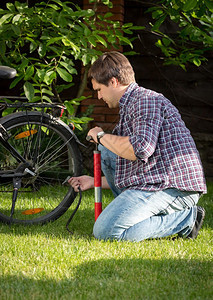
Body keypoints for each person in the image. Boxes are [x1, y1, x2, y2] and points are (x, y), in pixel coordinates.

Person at [68, 51, 207, 242]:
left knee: (105, 231)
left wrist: (100, 136)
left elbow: (140, 149)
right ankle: (141, 216)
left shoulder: (146, 101)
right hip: (153, 181)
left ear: (114, 82)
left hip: (175, 189)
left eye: (99, 89)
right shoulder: (131, 105)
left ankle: (186, 219)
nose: (99, 97)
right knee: (108, 148)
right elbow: (133, 168)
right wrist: (94, 181)